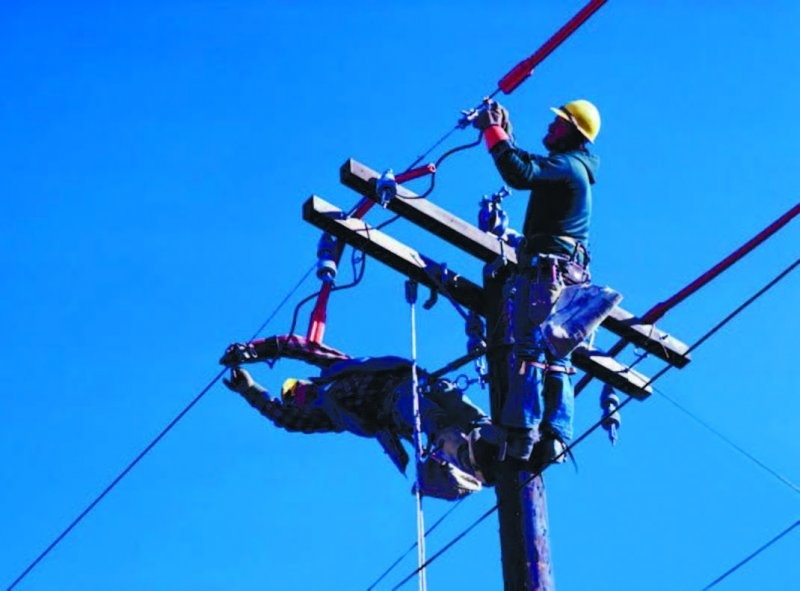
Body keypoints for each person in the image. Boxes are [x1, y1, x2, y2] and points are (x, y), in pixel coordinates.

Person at [472, 98, 604, 465]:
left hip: (550, 274)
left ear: (573, 132)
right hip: (566, 275)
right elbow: (529, 166)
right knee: (556, 354)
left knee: (531, 353)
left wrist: (491, 131)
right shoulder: (571, 167)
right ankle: (555, 437)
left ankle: (521, 433)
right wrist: (506, 137)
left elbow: (519, 175)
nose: (550, 128)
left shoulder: (568, 168)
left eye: (558, 123)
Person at [222, 353, 495, 499]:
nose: (299, 395)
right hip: (397, 405)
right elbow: (285, 419)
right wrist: (250, 389)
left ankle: (490, 436)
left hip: (417, 379)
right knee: (431, 419)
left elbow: (302, 346)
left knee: (454, 401)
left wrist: (261, 348)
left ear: (305, 381)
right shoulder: (330, 414)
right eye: (296, 400)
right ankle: (469, 459)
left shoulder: (337, 369)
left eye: (295, 387)